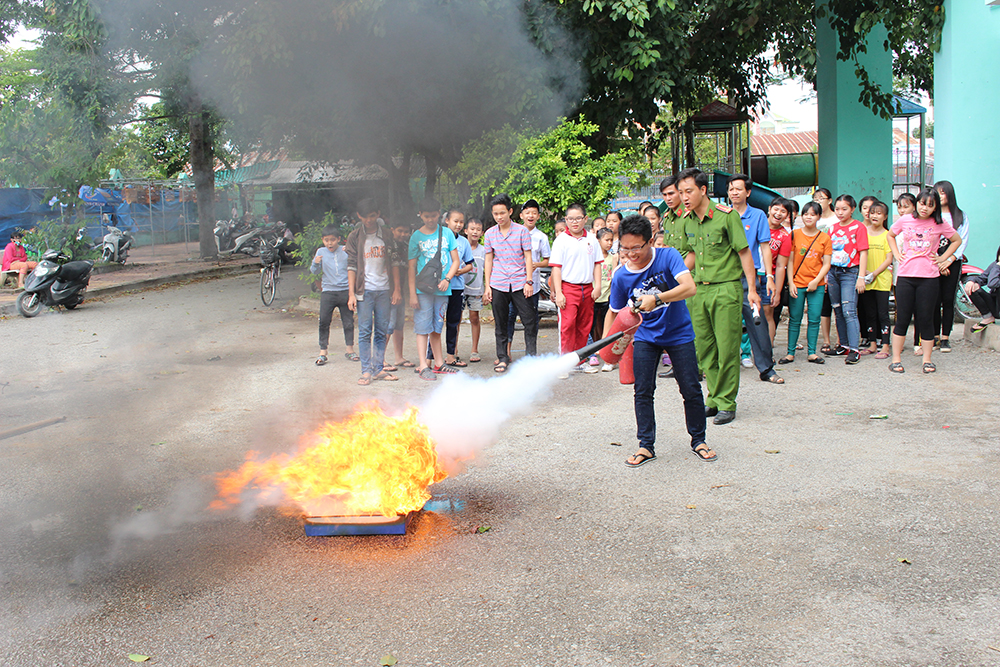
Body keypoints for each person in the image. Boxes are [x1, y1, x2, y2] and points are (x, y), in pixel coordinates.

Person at [606, 214, 715, 466]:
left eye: (637, 247)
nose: (631, 253)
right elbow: (615, 312)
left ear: (651, 240)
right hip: (645, 337)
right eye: (625, 248)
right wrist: (609, 346)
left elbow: (689, 287)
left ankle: (698, 439)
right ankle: (646, 446)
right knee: (643, 391)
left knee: (690, 387)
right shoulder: (622, 276)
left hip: (679, 333)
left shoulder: (668, 256)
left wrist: (657, 299)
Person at [675, 168, 761, 425]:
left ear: (703, 190)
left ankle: (726, 402)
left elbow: (745, 253)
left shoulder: (726, 216)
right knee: (704, 349)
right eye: (681, 192)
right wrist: (675, 279)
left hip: (725, 289)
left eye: (688, 191)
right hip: (697, 290)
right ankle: (712, 398)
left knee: (726, 348)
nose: (684, 197)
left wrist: (753, 290)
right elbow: (690, 255)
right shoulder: (686, 220)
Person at [887, 188, 961, 374]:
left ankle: (927, 360)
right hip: (906, 277)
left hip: (929, 278)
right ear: (917, 203)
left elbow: (956, 240)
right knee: (902, 318)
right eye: (922, 203)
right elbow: (890, 235)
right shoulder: (905, 220)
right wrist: (896, 254)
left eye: (930, 205)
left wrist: (943, 259)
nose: (925, 208)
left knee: (926, 318)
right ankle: (896, 359)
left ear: (935, 207)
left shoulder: (939, 223)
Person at [727, 174, 783, 385]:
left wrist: (769, 277)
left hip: (749, 279)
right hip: (725, 278)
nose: (734, 192)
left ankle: (766, 369)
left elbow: (765, 247)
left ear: (748, 192)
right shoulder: (723, 214)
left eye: (738, 189)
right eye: (731, 189)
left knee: (756, 323)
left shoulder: (758, 215)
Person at [345, 198, 401, 385]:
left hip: (384, 290)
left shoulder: (386, 234)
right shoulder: (355, 236)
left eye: (372, 216)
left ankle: (378, 369)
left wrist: (396, 290)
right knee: (364, 331)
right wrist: (352, 294)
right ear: (359, 216)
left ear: (378, 215)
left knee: (381, 330)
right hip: (364, 291)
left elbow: (394, 262)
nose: (368, 220)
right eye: (364, 216)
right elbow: (351, 265)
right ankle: (366, 371)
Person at [408, 197, 461, 381]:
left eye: (433, 216)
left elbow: (456, 261)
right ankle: (423, 365)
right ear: (420, 215)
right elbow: (411, 267)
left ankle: (439, 363)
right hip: (423, 290)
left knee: (437, 327)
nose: (430, 219)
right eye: (426, 216)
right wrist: (412, 293)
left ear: (439, 215)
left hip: (442, 289)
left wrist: (448, 279)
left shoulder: (446, 233)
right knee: (422, 328)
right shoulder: (416, 236)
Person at [483, 193, 535, 374]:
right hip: (498, 283)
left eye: (502, 213)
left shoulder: (522, 231)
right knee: (501, 322)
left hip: (520, 282)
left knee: (529, 320)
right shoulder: (489, 234)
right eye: (495, 214)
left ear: (510, 211)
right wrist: (487, 286)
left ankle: (531, 358)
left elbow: (528, 257)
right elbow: (488, 260)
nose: (499, 217)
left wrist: (529, 281)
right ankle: (502, 358)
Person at [550, 203, 603, 367]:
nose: (575, 222)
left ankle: (581, 361)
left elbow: (597, 264)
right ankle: (565, 363)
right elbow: (556, 268)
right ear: (566, 220)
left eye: (578, 218)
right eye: (571, 219)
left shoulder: (592, 239)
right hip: (568, 288)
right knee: (567, 326)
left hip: (587, 288)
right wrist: (559, 293)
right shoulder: (561, 240)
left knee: (584, 326)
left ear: (585, 219)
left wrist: (598, 286)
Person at [779, 202, 832, 364]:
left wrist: (817, 281)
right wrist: (791, 283)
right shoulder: (794, 235)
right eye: (806, 214)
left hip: (817, 285)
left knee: (814, 319)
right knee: (795, 319)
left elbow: (827, 264)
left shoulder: (824, 238)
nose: (809, 217)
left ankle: (812, 352)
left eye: (813, 214)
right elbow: (790, 261)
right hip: (797, 283)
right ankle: (790, 353)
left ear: (819, 217)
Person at [824, 194, 868, 364]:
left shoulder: (859, 227)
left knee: (849, 311)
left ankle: (855, 350)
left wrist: (861, 277)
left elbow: (863, 252)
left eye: (844, 209)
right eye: (837, 209)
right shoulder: (832, 228)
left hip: (850, 272)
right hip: (833, 272)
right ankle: (843, 345)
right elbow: (828, 253)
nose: (840, 212)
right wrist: (827, 275)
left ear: (852, 209)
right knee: (837, 309)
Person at [505, 199, 550, 360]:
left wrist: (535, 264)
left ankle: (530, 355)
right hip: (513, 284)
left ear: (538, 216)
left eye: (534, 213)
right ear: (521, 215)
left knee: (531, 321)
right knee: (509, 317)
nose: (531, 216)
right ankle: (506, 353)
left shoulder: (541, 237)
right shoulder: (512, 233)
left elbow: (547, 260)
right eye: (527, 212)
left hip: (533, 286)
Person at [932, 180, 970, 353]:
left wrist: (949, 260)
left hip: (953, 263)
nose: (940, 196)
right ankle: (934, 336)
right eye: (937, 192)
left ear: (950, 194)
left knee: (948, 300)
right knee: (934, 299)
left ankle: (946, 337)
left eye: (943, 192)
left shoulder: (960, 216)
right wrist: (939, 262)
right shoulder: (932, 216)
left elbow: (962, 241)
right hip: (933, 262)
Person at [311, 225, 356, 367]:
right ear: (322, 240)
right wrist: (315, 262)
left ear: (338, 239)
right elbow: (314, 271)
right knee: (324, 321)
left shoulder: (345, 251)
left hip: (344, 291)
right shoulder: (320, 252)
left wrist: (352, 293)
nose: (329, 243)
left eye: (332, 240)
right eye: (326, 240)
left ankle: (350, 349)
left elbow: (354, 267)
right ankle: (323, 352)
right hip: (328, 292)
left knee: (348, 322)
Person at [860, 200, 893, 359]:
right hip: (866, 280)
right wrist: (866, 273)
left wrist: (874, 273)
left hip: (882, 280)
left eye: (879, 213)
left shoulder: (888, 235)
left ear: (885, 216)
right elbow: (860, 254)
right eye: (872, 212)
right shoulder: (863, 232)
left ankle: (885, 345)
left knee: (883, 314)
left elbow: (889, 259)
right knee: (869, 313)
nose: (875, 216)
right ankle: (872, 344)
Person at [443, 208, 474, 368]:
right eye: (455, 221)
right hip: (440, 288)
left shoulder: (463, 242)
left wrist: (461, 270)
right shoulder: (438, 238)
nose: (459, 224)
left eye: (461, 222)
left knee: (453, 322)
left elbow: (470, 264)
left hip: (456, 287)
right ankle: (429, 357)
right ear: (447, 220)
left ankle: (450, 356)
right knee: (434, 322)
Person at [387, 217, 416, 371]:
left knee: (399, 323)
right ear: (392, 230)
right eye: (400, 231)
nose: (403, 234)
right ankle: (380, 359)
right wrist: (396, 290)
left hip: (401, 289)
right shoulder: (390, 245)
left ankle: (399, 357)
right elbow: (395, 266)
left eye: (406, 232)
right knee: (389, 324)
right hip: (389, 290)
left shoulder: (405, 245)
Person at [765, 197, 792, 344]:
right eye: (776, 209)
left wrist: (778, 292)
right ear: (769, 209)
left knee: (769, 314)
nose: (778, 213)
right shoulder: (758, 225)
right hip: (751, 274)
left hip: (771, 278)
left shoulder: (785, 236)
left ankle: (767, 350)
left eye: (783, 211)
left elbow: (781, 266)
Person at [814, 187, 837, 352]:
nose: (818, 201)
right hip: (818, 267)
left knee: (839, 305)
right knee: (825, 306)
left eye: (821, 198)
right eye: (815, 199)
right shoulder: (814, 219)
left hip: (836, 266)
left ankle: (841, 340)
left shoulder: (837, 220)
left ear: (829, 200)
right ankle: (826, 340)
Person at [463, 218, 487, 363]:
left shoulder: (483, 250)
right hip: (459, 289)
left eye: (478, 229)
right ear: (466, 231)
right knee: (455, 319)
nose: (475, 232)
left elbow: (487, 271)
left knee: (474, 318)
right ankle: (454, 350)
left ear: (482, 233)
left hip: (476, 290)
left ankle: (474, 350)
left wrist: (486, 290)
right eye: (472, 229)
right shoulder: (459, 247)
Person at [593, 227, 616, 371]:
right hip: (594, 297)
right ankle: (594, 352)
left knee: (608, 327)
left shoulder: (613, 258)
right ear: (598, 241)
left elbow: (614, 277)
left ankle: (608, 355)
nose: (609, 243)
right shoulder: (593, 258)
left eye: (611, 240)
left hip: (607, 297)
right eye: (606, 240)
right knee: (594, 327)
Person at [966, 245, 1000, 332]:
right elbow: (981, 278)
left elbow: (992, 283)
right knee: (972, 288)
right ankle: (988, 317)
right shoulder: (995, 264)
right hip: (995, 305)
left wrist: (997, 267)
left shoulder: (997, 266)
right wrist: (971, 281)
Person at [658, 175, 686, 250]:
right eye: (664, 195)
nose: (668, 198)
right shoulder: (667, 219)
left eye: (671, 194)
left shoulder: (690, 216)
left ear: (680, 192)